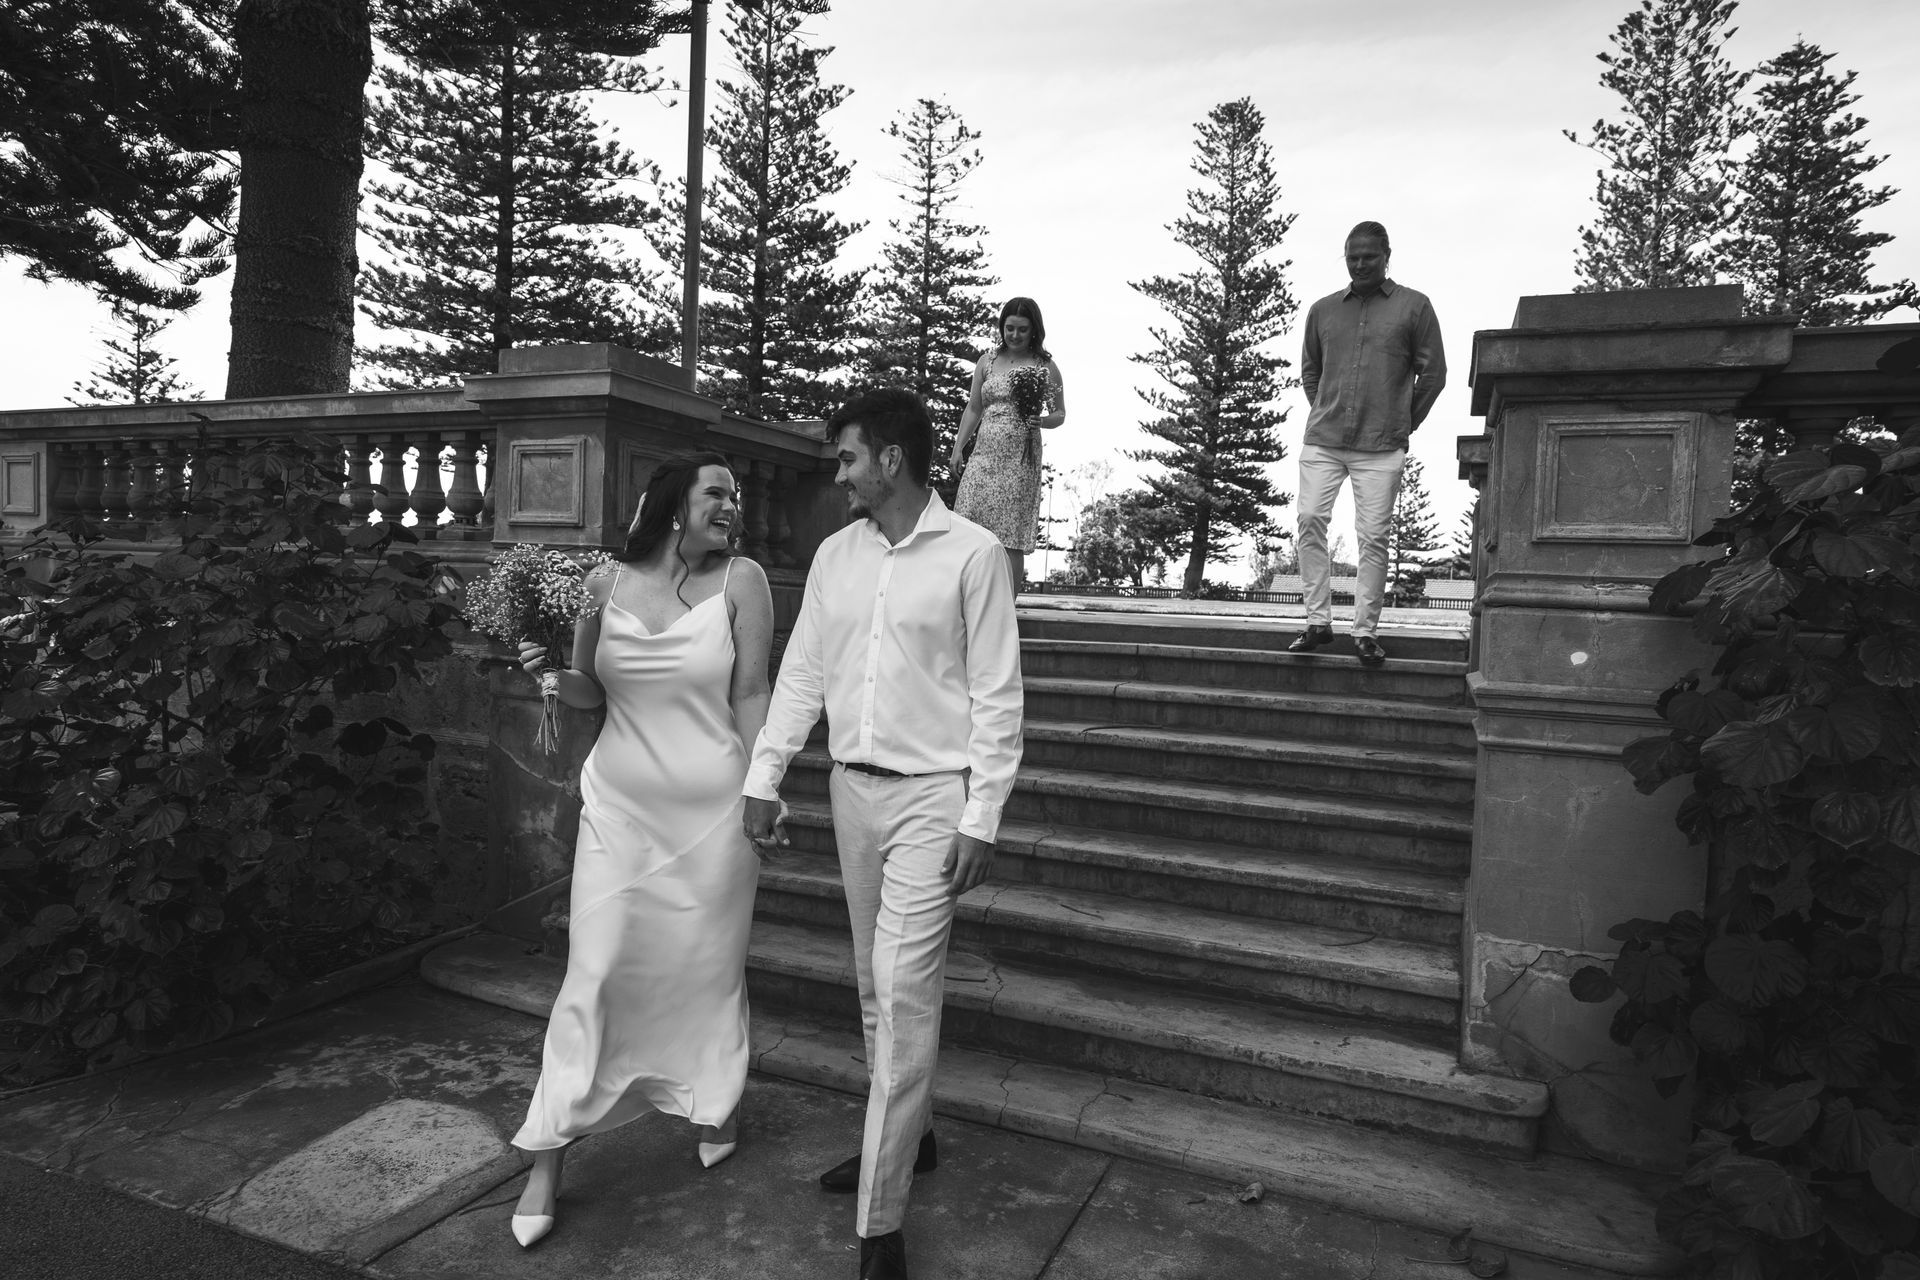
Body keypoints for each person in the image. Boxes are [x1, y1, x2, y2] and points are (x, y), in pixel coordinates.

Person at [743, 388, 1024, 1280]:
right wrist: (764, 775)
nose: (840, 475)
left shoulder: (974, 554)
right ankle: (912, 1136)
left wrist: (981, 815)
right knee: (874, 984)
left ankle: (880, 1220)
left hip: (932, 800)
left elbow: (998, 696)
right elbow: (802, 672)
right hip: (851, 795)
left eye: (849, 458)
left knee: (903, 998)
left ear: (890, 461)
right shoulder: (836, 554)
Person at [506, 451, 775, 1249]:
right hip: (620, 810)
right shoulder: (602, 583)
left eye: (736, 494)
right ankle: (546, 1157)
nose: (732, 505)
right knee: (593, 973)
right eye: (717, 492)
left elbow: (751, 690)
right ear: (673, 503)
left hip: (714, 816)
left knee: (706, 971)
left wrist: (764, 784)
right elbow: (591, 688)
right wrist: (553, 676)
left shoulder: (745, 581)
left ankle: (715, 1102)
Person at [1290, 220, 1446, 666]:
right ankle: (1317, 623)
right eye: (1352, 257)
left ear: (1387, 256)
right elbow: (1310, 371)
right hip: (1324, 438)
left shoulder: (1415, 306)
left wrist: (1402, 423)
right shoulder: (1322, 310)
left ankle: (1364, 632)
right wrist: (1326, 408)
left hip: (1382, 444)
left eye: (1369, 257)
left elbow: (1433, 374)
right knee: (1309, 520)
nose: (1360, 264)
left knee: (1374, 538)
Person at [951, 296, 1068, 592]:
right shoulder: (986, 362)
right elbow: (974, 408)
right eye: (1010, 328)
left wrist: (1041, 421)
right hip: (984, 454)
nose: (1015, 335)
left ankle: (1006, 607)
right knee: (967, 521)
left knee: (1010, 535)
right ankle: (964, 598)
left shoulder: (1044, 365)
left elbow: (1060, 413)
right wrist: (958, 447)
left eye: (1022, 329)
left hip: (1020, 458)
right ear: (1002, 327)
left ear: (1034, 330)